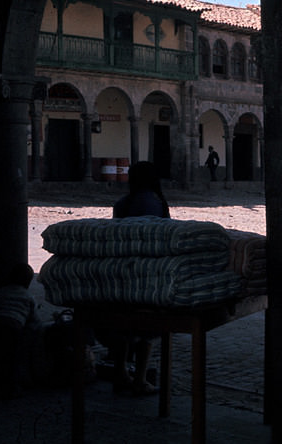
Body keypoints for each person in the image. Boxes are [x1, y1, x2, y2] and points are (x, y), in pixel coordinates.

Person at [109, 161, 170, 395]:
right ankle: (140, 379)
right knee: (148, 329)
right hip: (146, 273)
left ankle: (121, 372)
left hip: (122, 271)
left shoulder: (123, 203)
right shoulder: (153, 203)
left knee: (124, 326)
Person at [0, 262, 39, 398]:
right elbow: (34, 319)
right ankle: (12, 387)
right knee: (13, 359)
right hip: (14, 328)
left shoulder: (0, 292)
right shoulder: (28, 297)